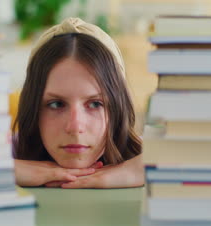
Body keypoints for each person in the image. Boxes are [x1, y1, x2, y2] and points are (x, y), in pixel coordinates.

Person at [13, 17, 143, 188]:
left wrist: (131, 172)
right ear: (33, 108)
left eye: (95, 104)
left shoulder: (142, 154)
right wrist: (7, 171)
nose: (75, 127)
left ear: (117, 110)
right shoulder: (11, 150)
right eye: (56, 104)